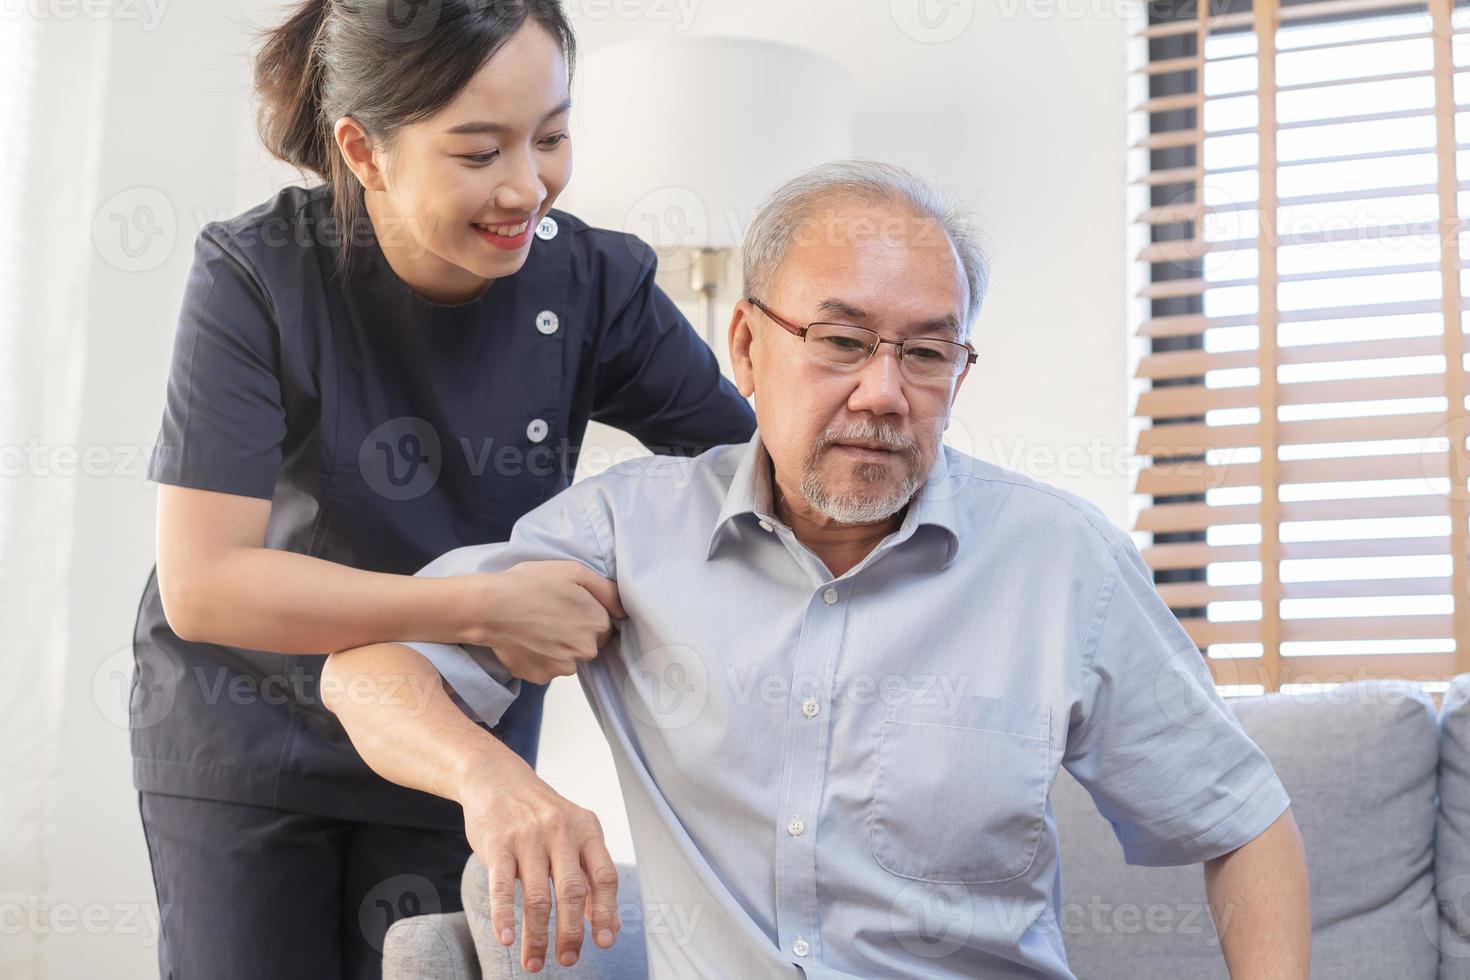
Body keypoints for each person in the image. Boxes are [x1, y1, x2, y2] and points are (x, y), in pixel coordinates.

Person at [323, 160, 1312, 978]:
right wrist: (491, 779)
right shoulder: (629, 532)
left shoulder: (1062, 563)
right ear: (747, 347)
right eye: (841, 341)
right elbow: (365, 671)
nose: (885, 391)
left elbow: (1245, 820)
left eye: (927, 353)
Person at [133, 2, 754, 978]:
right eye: (478, 152)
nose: (527, 186)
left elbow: (744, 477)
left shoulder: (593, 285)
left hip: (449, 742)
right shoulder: (256, 274)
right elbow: (205, 585)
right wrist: (480, 601)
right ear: (364, 149)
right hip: (248, 726)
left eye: (551, 137)